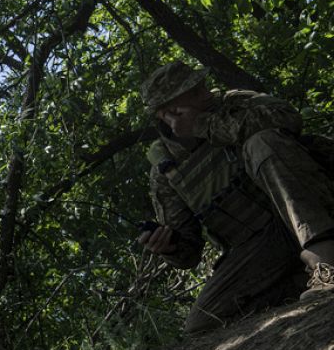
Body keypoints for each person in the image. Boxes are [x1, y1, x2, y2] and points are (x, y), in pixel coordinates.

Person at [137, 61, 334, 333]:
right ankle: (300, 281)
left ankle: (326, 265)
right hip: (261, 244)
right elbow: (188, 253)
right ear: (166, 113)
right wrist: (168, 246)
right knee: (202, 325)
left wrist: (203, 124)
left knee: (261, 142)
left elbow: (287, 117)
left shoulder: (236, 102)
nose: (204, 93)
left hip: (315, 208)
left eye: (200, 86)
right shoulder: (167, 168)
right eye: (192, 93)